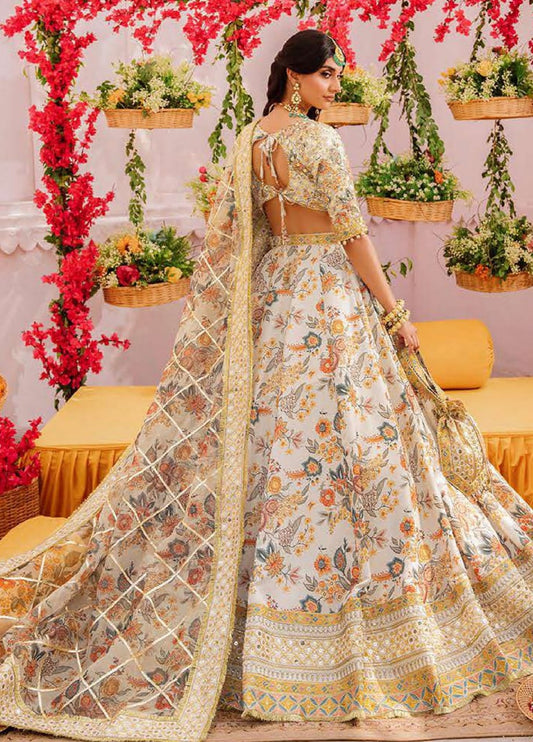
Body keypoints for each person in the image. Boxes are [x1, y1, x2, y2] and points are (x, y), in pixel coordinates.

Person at [1, 27, 533, 742]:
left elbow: (244, 236)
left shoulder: (250, 141)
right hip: (330, 301)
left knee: (271, 446)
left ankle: (251, 615)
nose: (335, 86)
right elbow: (352, 234)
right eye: (327, 75)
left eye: (338, 75)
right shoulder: (320, 142)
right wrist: (394, 312)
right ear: (293, 75)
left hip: (275, 302)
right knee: (356, 447)